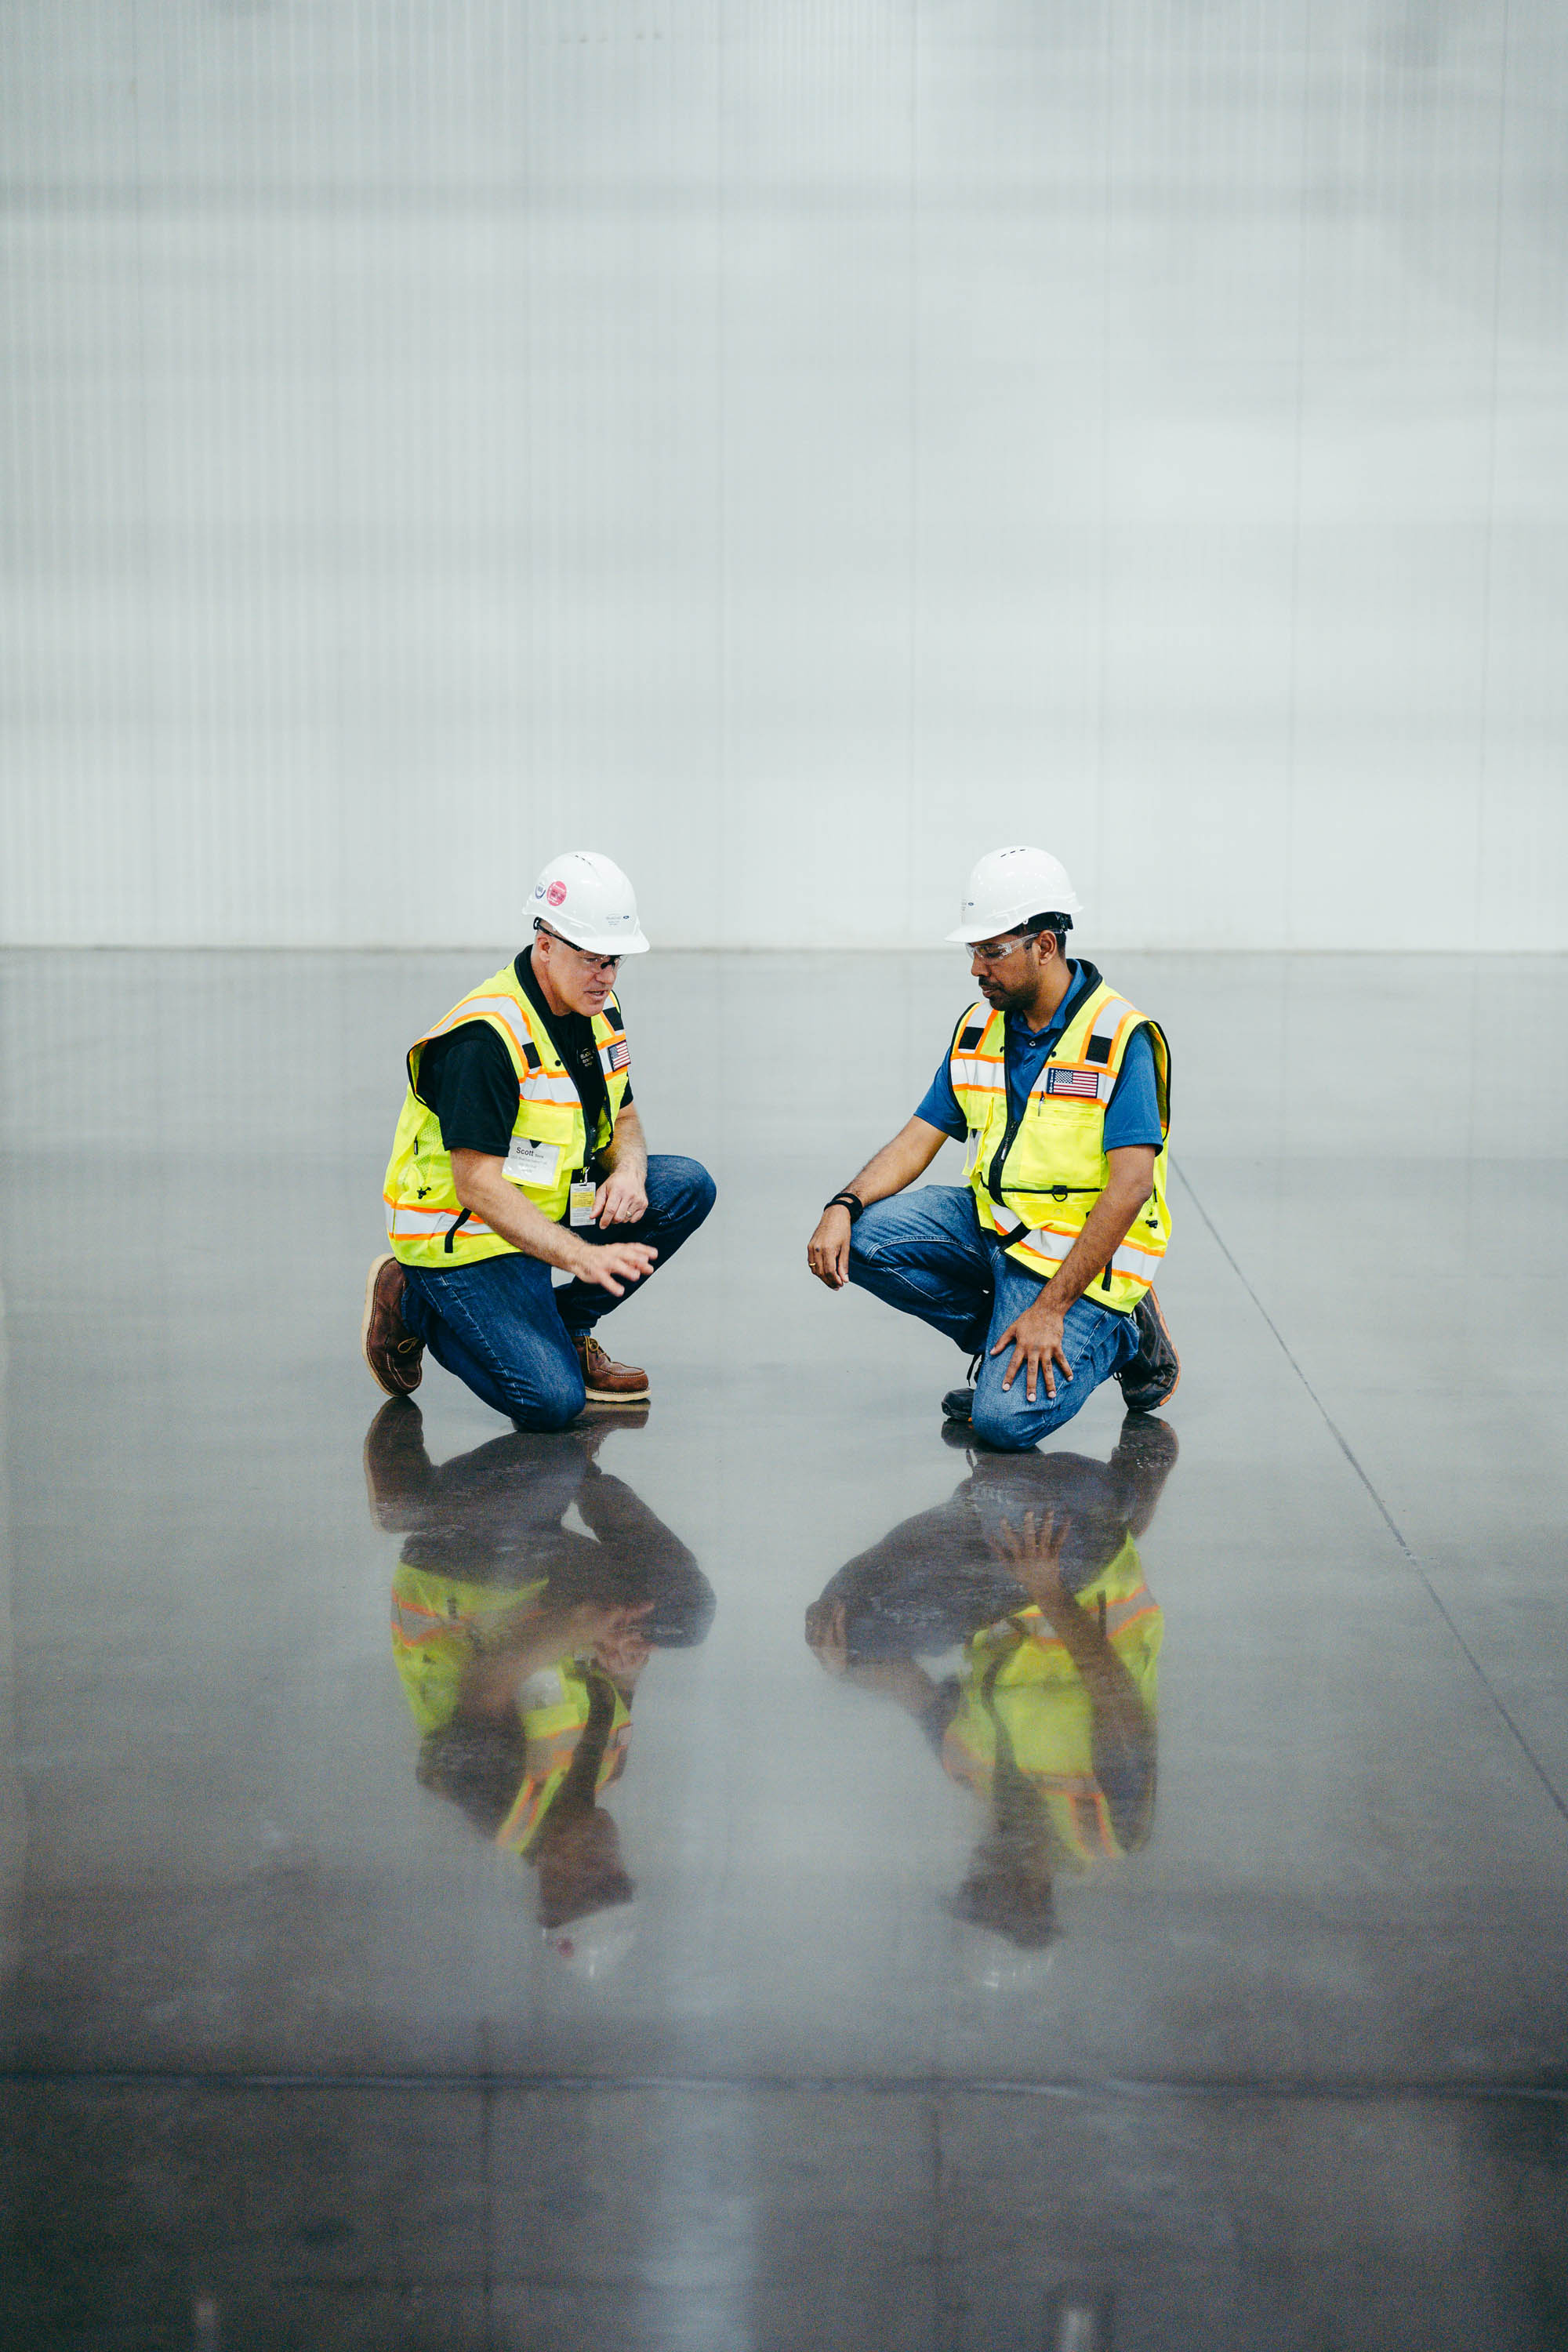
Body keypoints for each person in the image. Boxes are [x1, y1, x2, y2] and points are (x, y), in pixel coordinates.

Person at [805, 844, 1179, 1448]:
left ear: (1045, 946)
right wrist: (842, 1204)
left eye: (992, 952)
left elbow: (1132, 1186)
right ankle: (1005, 1346)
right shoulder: (980, 1025)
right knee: (866, 1239)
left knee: (1003, 1425)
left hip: (1075, 1253)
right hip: (998, 1224)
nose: (977, 969)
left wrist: (1052, 1309)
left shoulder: (1118, 1038)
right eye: (973, 952)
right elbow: (918, 1138)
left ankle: (1122, 1335)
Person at [804, 1417, 1176, 1983]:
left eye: (971, 1891)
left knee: (850, 1629)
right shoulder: (1105, 1824)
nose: (981, 1876)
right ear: (1039, 1897)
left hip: (1007, 1590)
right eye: (995, 1894)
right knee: (1016, 1498)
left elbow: (910, 1687)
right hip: (1074, 1581)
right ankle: (1127, 1497)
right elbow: (1116, 1693)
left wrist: (842, 1668)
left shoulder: (969, 1771)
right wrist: (1045, 1586)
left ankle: (1046, 1498)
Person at [362, 850, 716, 1428]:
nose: (606, 977)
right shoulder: (484, 1038)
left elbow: (623, 1119)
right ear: (544, 943)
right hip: (467, 1237)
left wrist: (627, 1171)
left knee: (685, 1185)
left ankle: (567, 1329)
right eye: (593, 960)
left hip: (545, 1205)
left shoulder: (599, 1008)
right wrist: (581, 1255)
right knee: (551, 1404)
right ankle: (410, 1302)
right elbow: (476, 1186)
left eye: (616, 962)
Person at [365, 1397, 715, 1977]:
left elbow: (486, 1684)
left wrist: (583, 1626)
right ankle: (584, 1467)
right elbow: (614, 1683)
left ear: (550, 1887)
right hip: (537, 1589)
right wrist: (626, 1655)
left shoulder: (495, 1805)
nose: (608, 1864)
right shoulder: (606, 1771)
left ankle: (408, 1502)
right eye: (620, 1881)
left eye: (593, 1884)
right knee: (683, 1615)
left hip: (461, 1581)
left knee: (546, 1467)